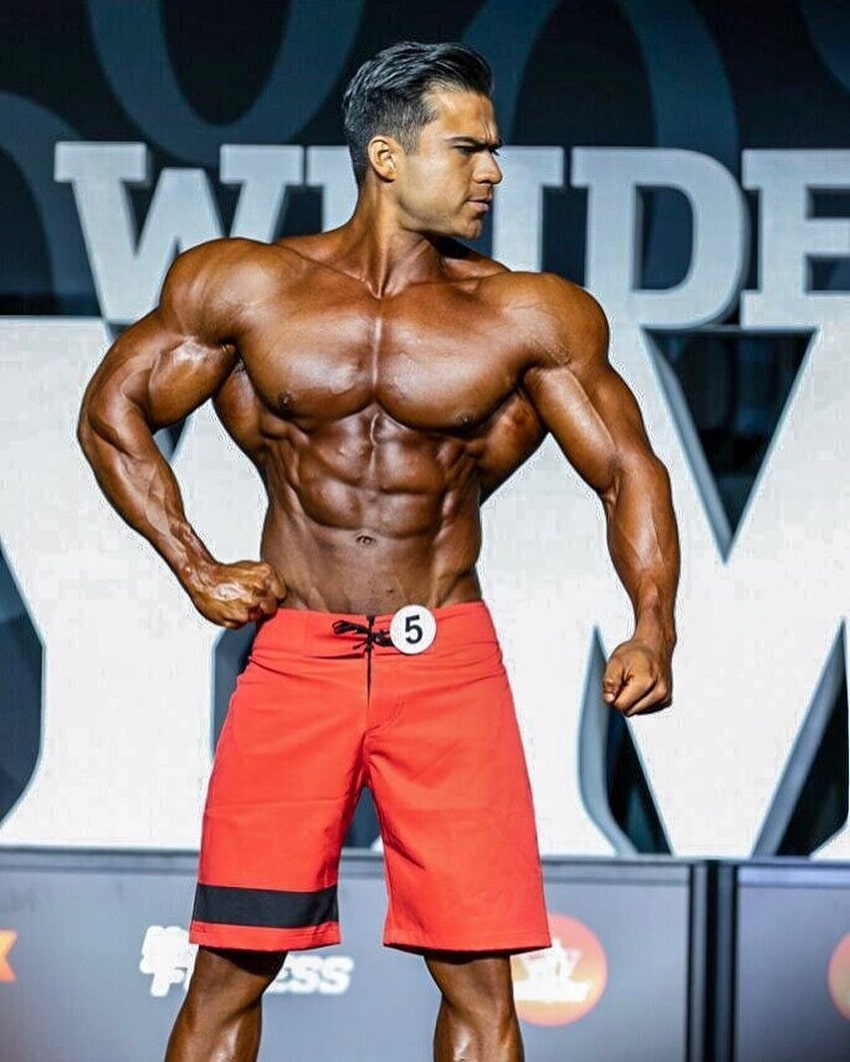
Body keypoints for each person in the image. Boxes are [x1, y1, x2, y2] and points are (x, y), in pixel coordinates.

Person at [78, 40, 679, 1062]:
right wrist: (195, 567)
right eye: (470, 147)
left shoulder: (527, 313)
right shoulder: (247, 286)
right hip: (297, 657)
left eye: (495, 149)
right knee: (228, 968)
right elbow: (113, 410)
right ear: (388, 158)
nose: (494, 170)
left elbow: (628, 467)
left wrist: (652, 626)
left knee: (481, 982)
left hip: (444, 662)